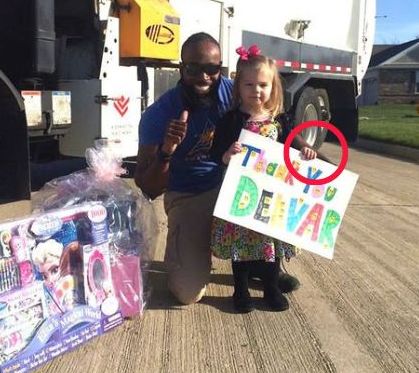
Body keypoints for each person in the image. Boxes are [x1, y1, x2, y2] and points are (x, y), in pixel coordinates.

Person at [209, 44, 326, 313]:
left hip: (273, 198)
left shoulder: (279, 121)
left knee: (269, 243)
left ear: (273, 87)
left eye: (263, 84)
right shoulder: (231, 120)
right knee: (241, 244)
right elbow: (216, 153)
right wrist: (227, 154)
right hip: (241, 194)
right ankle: (241, 289)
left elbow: (292, 148)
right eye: (249, 84)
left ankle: (271, 286)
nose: (256, 91)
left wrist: (306, 152)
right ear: (238, 87)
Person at [134, 32, 233, 304]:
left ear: (220, 69)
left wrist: (306, 150)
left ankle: (264, 266)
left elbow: (272, 115)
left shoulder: (232, 93)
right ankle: (193, 247)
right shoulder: (159, 114)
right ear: (181, 69)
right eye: (193, 69)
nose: (203, 77)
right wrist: (166, 151)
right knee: (187, 292)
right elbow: (148, 187)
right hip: (190, 194)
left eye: (212, 69)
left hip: (229, 184)